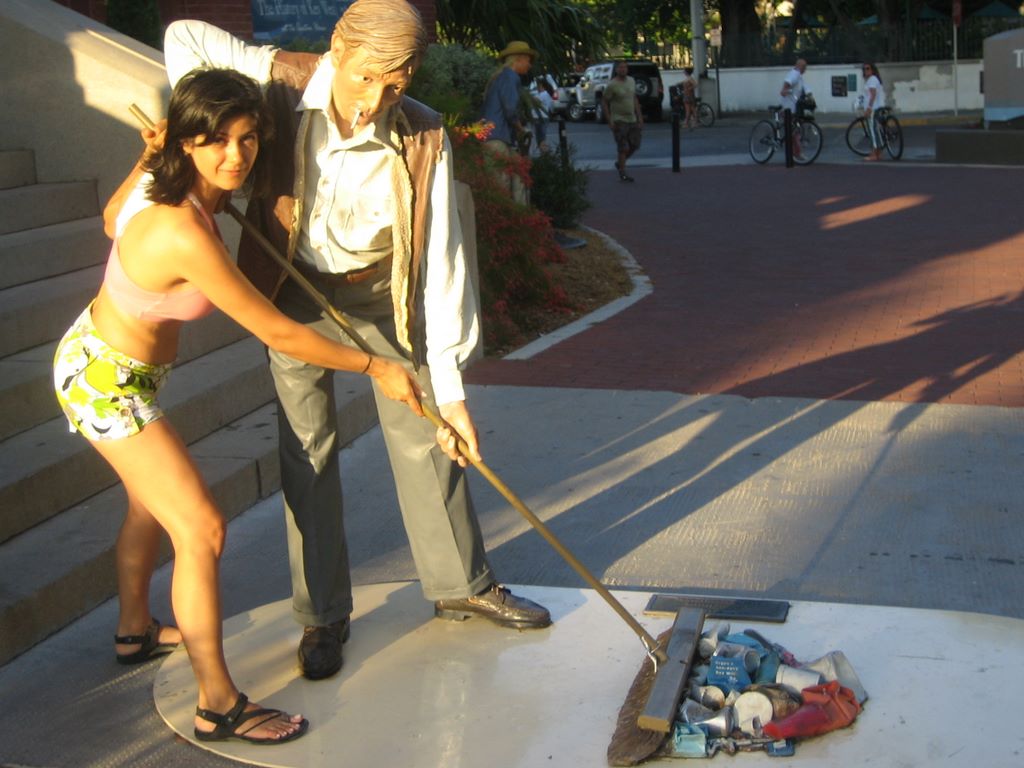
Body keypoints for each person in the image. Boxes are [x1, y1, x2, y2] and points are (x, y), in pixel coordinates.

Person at [163, 0, 551, 684]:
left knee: (427, 432)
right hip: (295, 285)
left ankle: (461, 583)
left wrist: (452, 394)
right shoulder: (285, 85)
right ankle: (321, 614)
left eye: (395, 86)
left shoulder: (424, 135)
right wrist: (221, 105)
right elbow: (182, 37)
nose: (374, 101)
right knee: (307, 448)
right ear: (337, 52)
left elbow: (443, 266)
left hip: (381, 292)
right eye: (365, 77)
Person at [53, 68, 430, 744]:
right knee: (200, 528)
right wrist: (377, 366)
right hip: (103, 382)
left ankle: (134, 630)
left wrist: (151, 158)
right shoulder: (180, 229)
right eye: (216, 140)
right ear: (186, 142)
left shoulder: (170, 186)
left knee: (148, 505)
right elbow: (278, 332)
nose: (236, 155)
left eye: (248, 137)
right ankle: (219, 704)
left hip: (119, 366)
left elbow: (112, 219)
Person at [480, 39, 536, 203]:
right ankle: (515, 213)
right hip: (497, 138)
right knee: (502, 184)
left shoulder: (501, 77)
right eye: (527, 60)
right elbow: (510, 109)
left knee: (517, 175)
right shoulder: (510, 78)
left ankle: (520, 212)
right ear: (518, 59)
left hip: (493, 136)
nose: (529, 65)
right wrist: (520, 128)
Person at [601, 61, 643, 182]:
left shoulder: (631, 81)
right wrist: (610, 120)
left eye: (625, 67)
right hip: (619, 120)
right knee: (623, 147)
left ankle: (620, 163)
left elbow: (634, 99)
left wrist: (639, 116)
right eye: (620, 67)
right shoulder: (612, 85)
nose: (623, 69)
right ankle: (623, 172)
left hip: (632, 119)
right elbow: (604, 102)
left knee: (635, 145)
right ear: (616, 70)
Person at [779, 58, 808, 157]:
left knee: (795, 131)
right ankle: (797, 154)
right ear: (799, 66)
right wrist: (785, 90)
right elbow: (785, 87)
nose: (805, 69)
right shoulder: (794, 74)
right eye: (804, 67)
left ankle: (795, 153)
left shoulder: (798, 75)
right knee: (794, 132)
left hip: (793, 108)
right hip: (789, 108)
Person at [862, 63, 886, 162]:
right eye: (864, 69)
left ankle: (874, 154)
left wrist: (869, 108)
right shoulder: (874, 79)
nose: (865, 70)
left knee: (872, 131)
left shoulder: (872, 79)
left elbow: (873, 94)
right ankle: (879, 153)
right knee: (876, 130)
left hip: (873, 109)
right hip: (877, 108)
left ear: (872, 69)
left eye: (868, 68)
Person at [532, 76, 555, 153]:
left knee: (541, 138)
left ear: (542, 86)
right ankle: (543, 153)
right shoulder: (542, 94)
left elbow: (534, 100)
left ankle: (545, 153)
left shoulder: (544, 94)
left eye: (538, 85)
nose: (537, 87)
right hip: (539, 118)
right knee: (539, 138)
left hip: (541, 118)